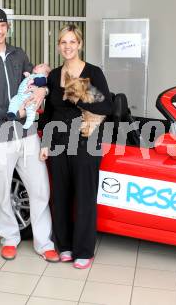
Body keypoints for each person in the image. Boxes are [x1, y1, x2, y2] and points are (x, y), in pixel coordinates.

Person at [0, 7, 59, 262]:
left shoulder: (19, 55)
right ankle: (10, 238)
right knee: (1, 189)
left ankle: (44, 242)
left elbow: (35, 81)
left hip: (28, 134)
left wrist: (43, 91)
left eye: (3, 25)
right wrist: (11, 114)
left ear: (7, 27)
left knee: (40, 188)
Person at [39, 24, 113, 269]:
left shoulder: (93, 72)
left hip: (85, 142)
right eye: (63, 42)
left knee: (83, 197)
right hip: (58, 144)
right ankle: (66, 246)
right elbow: (49, 112)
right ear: (58, 46)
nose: (68, 46)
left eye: (72, 42)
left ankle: (84, 250)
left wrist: (77, 87)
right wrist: (45, 143)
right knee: (60, 197)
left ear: (79, 44)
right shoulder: (53, 75)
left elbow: (105, 107)